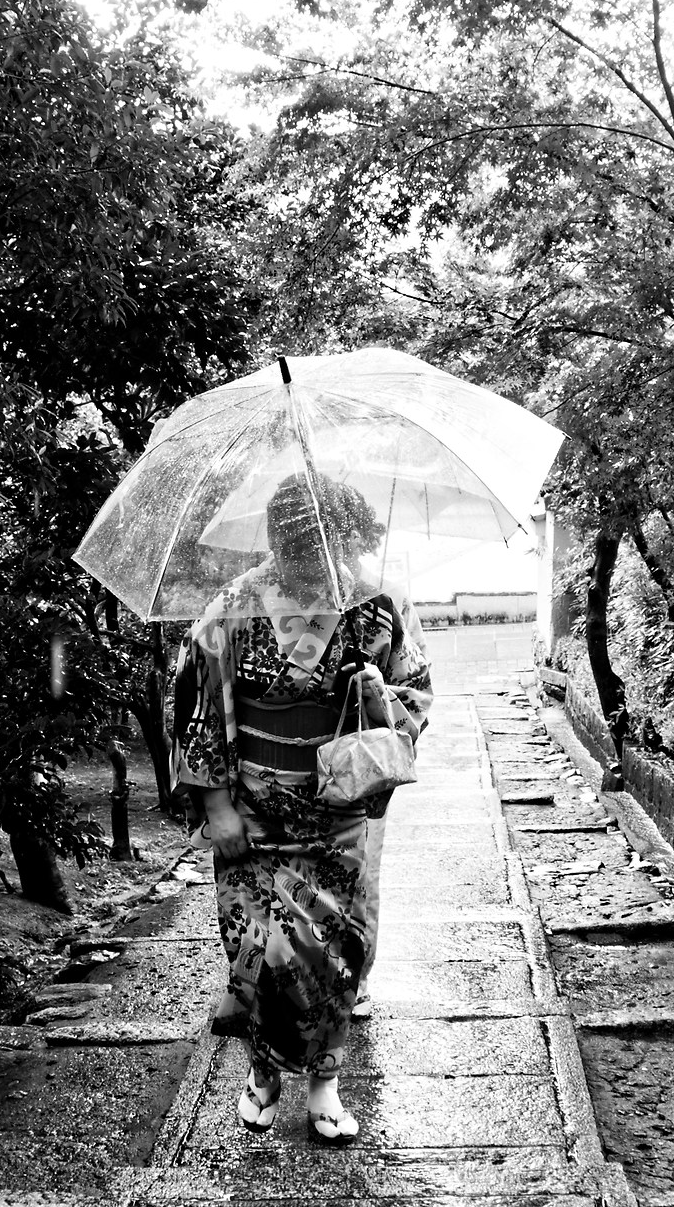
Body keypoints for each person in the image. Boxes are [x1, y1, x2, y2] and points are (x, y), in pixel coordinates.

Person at [170, 471, 434, 1145]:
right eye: (295, 541)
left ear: (340, 536)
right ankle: (262, 1072)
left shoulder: (378, 606)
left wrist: (379, 692)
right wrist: (216, 807)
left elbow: (416, 697)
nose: (309, 556)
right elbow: (198, 704)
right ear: (277, 537)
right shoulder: (234, 605)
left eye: (320, 541)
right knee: (256, 954)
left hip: (335, 810)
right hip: (251, 811)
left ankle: (323, 1082)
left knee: (337, 953)